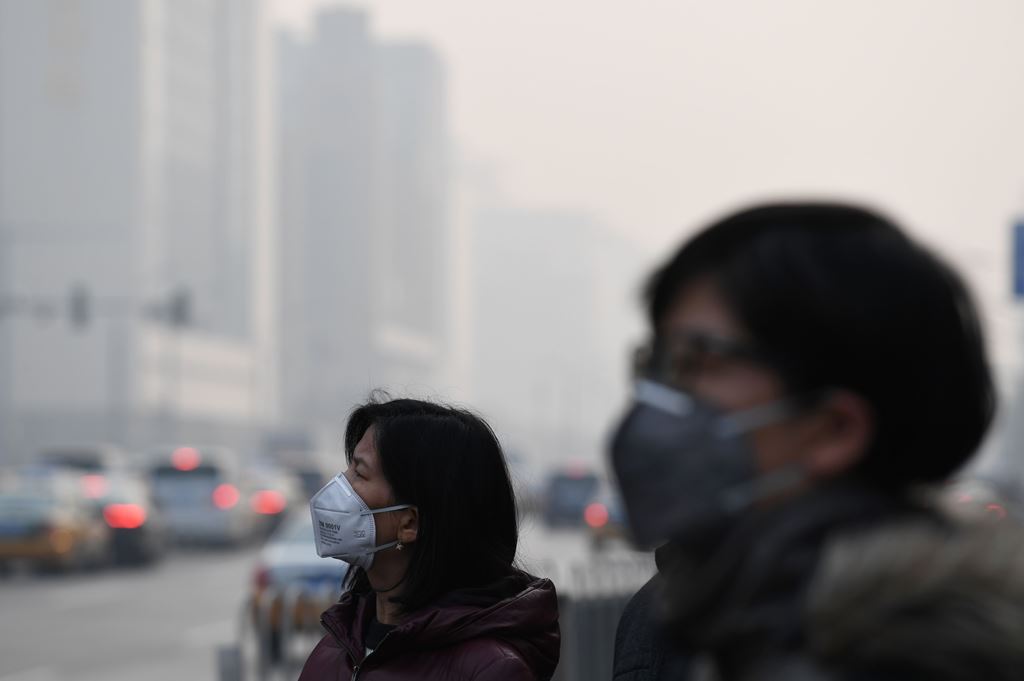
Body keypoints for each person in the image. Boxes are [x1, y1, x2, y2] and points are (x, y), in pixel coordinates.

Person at [610, 202, 1024, 681]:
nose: (661, 403)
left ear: (834, 429)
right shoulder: (705, 623)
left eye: (697, 363)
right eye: (656, 367)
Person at [299, 397, 560, 681]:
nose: (339, 486)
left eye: (360, 473)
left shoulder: (491, 670)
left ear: (409, 523)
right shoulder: (336, 647)